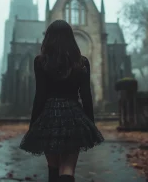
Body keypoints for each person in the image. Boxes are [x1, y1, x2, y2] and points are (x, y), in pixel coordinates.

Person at [19, 20, 104, 182]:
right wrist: (90, 123)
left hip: (48, 117)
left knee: (53, 168)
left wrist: (33, 124)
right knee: (68, 169)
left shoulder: (40, 62)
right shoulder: (82, 62)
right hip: (74, 116)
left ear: (48, 38)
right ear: (71, 38)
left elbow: (40, 95)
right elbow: (86, 94)